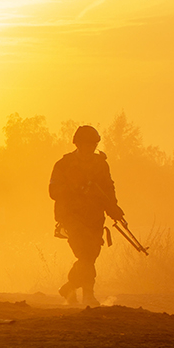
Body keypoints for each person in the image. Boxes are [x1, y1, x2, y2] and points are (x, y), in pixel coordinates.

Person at [49, 125, 124, 306]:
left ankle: (69, 288)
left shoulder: (101, 164)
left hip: (94, 217)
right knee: (85, 254)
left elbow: (108, 189)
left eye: (94, 144)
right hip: (71, 217)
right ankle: (88, 295)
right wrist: (76, 189)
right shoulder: (63, 165)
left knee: (90, 256)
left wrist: (114, 208)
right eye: (87, 144)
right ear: (78, 144)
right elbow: (53, 191)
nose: (91, 148)